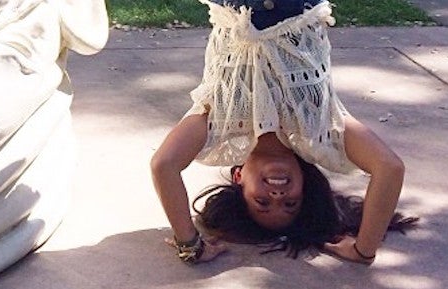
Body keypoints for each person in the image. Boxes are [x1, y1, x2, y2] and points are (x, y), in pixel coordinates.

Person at [150, 0, 416, 265]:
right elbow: (390, 168)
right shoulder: (319, 126)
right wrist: (363, 251)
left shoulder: (221, 124)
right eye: (291, 204)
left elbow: (164, 165)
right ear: (304, 185)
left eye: (261, 202)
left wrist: (190, 245)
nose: (277, 197)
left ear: (239, 177)